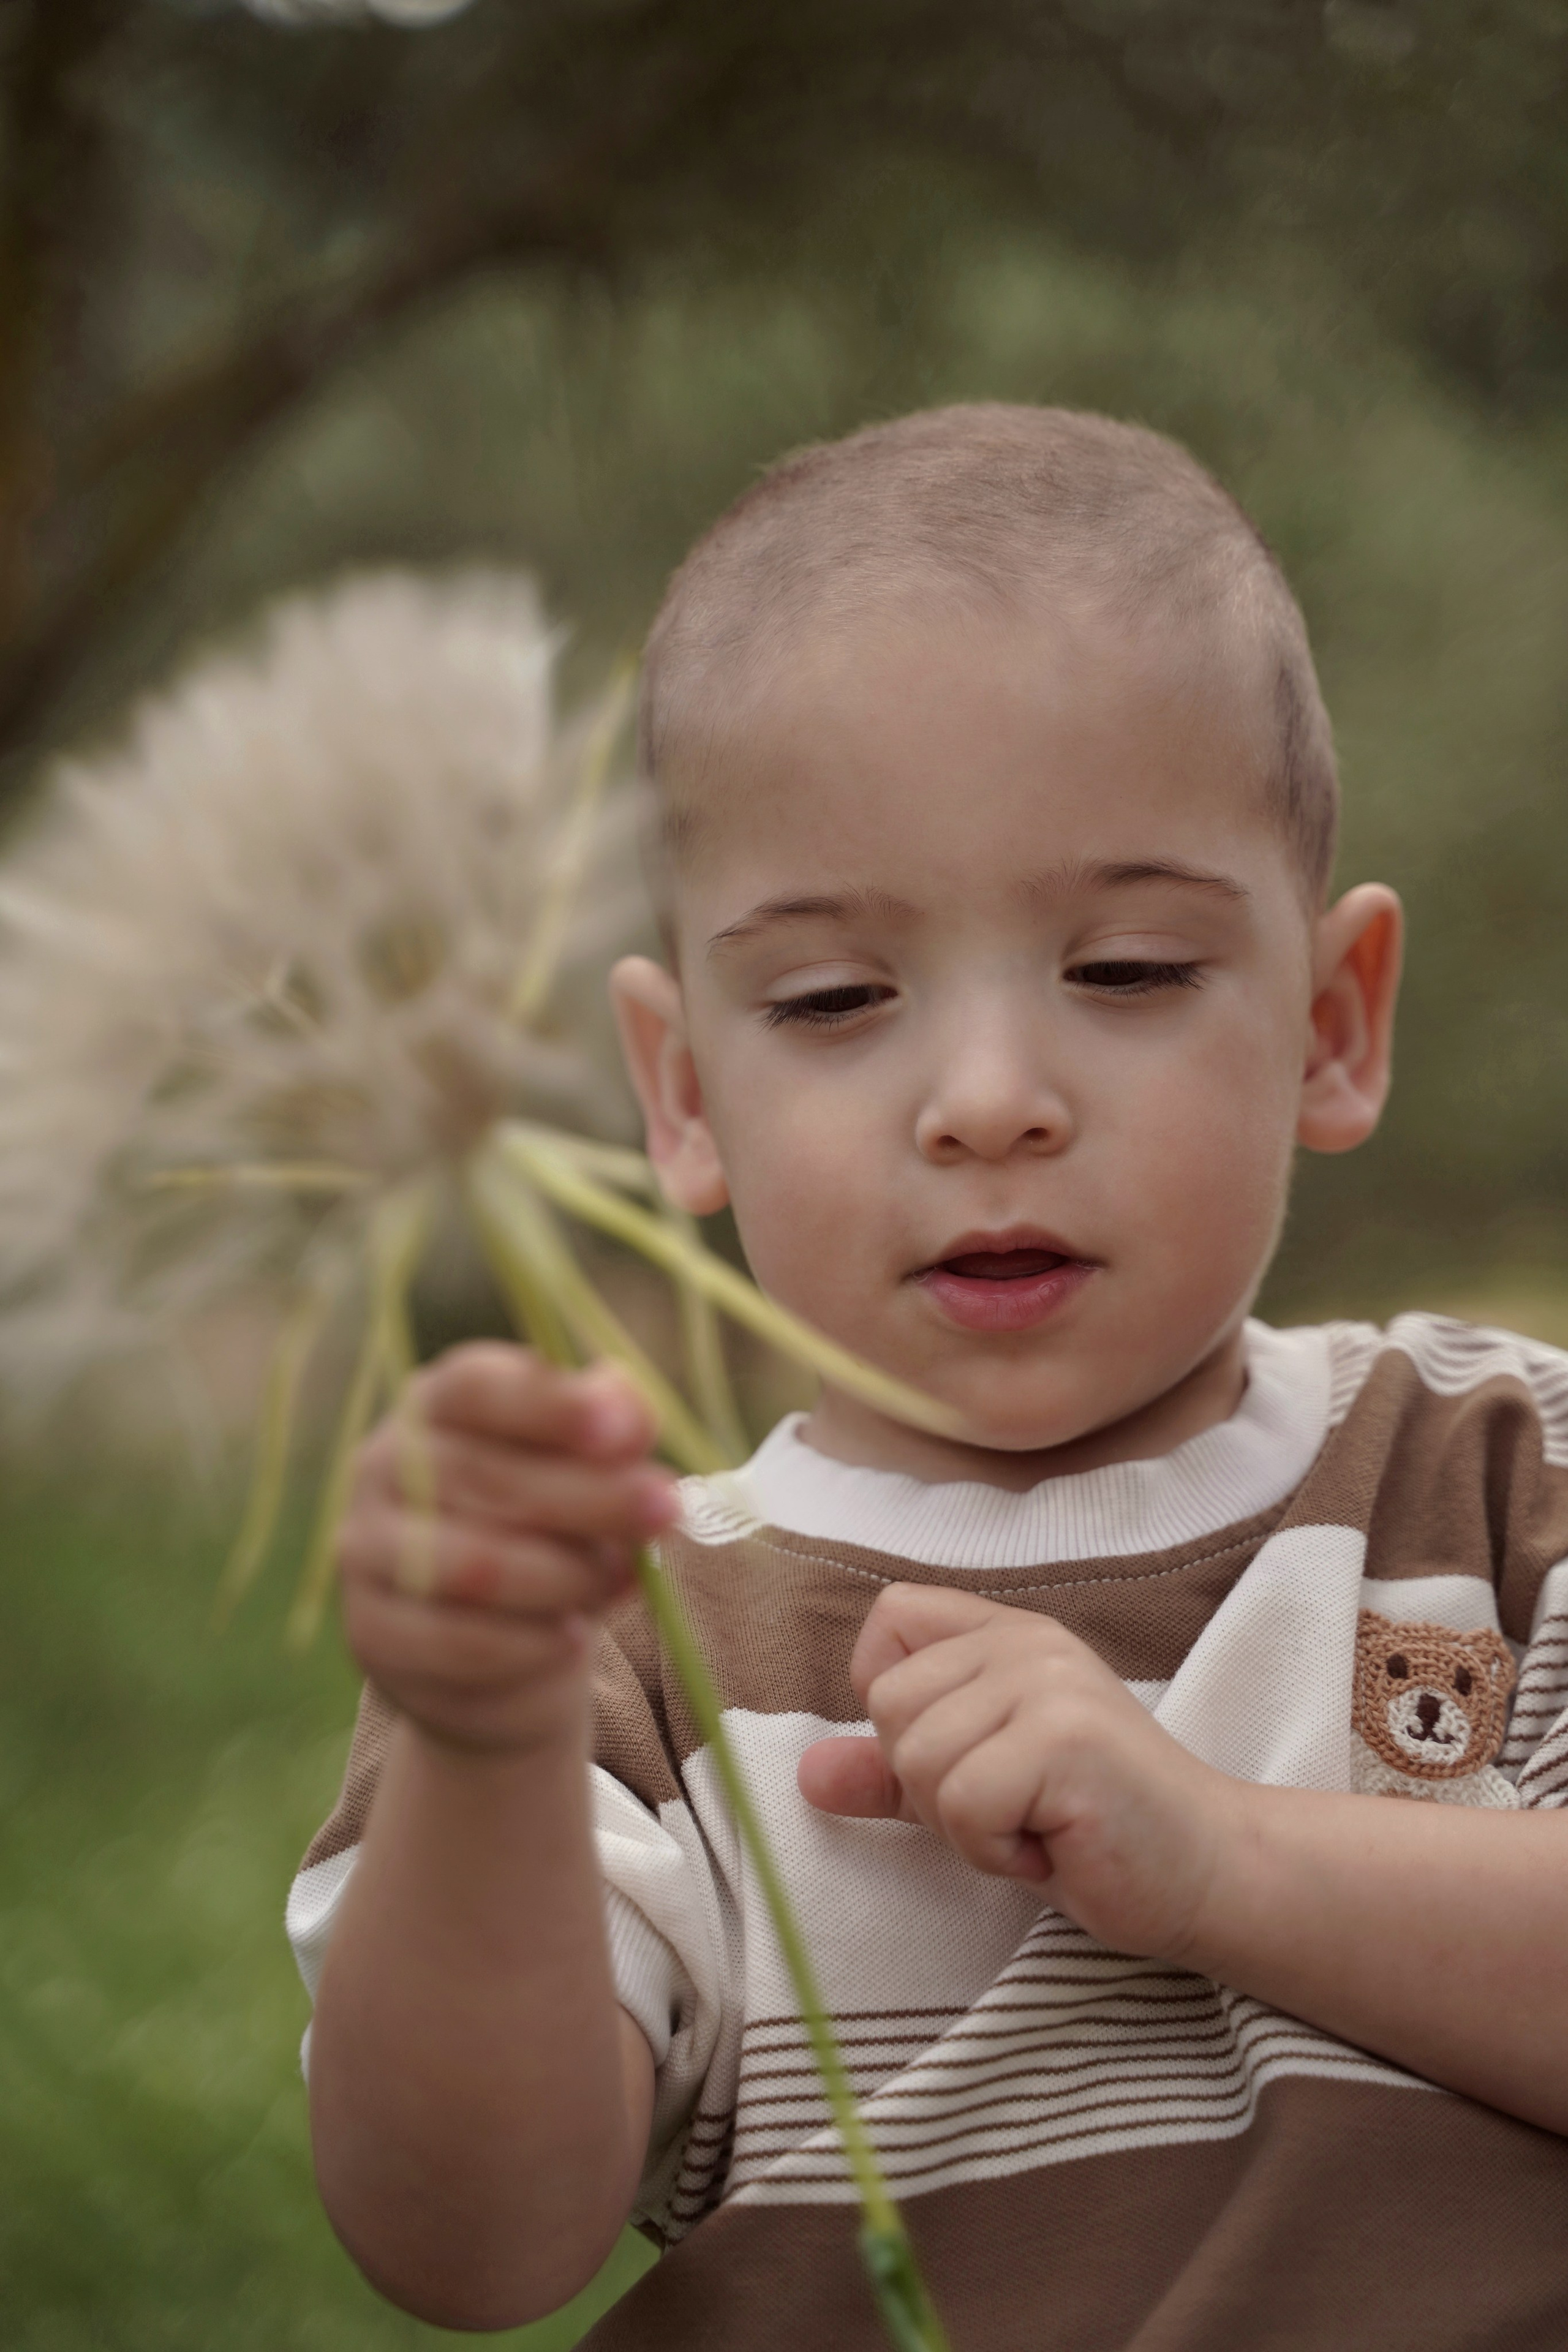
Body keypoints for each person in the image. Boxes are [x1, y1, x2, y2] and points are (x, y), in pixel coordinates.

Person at [287, 405, 1568, 2350]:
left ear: (1330, 1023)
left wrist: (1222, 1857)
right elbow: (465, 2249)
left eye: (1127, 969)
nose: (986, 1104)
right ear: (684, 1094)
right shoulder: (630, 1632)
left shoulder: (1499, 1471)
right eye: (832, 1000)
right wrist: (475, 1748)